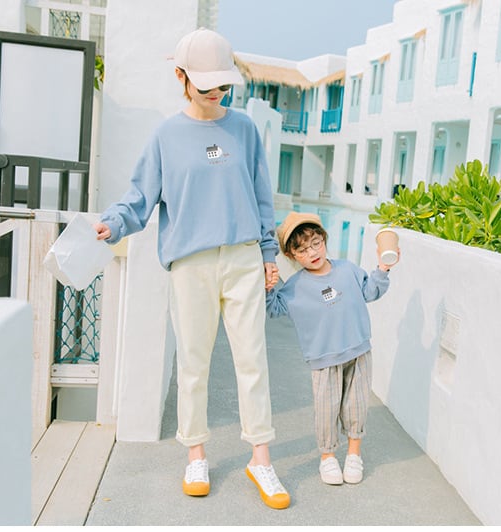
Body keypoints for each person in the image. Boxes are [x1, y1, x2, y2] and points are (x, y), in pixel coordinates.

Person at [93, 28, 289, 510]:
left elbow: (261, 196)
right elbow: (140, 196)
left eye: (222, 84)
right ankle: (196, 455)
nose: (216, 92)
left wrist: (268, 255)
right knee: (193, 364)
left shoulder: (244, 129)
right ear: (180, 77)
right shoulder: (167, 136)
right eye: (206, 84)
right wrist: (113, 223)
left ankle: (261, 458)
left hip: (243, 257)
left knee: (253, 361)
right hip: (190, 264)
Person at [265, 212, 397, 485]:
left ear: (324, 239)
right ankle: (327, 457)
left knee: (356, 406)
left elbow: (371, 291)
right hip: (323, 359)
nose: (312, 252)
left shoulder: (348, 270)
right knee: (326, 411)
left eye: (316, 243)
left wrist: (383, 268)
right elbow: (274, 308)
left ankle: (353, 455)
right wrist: (268, 287)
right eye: (302, 250)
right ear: (291, 255)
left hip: (358, 352)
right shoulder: (294, 287)